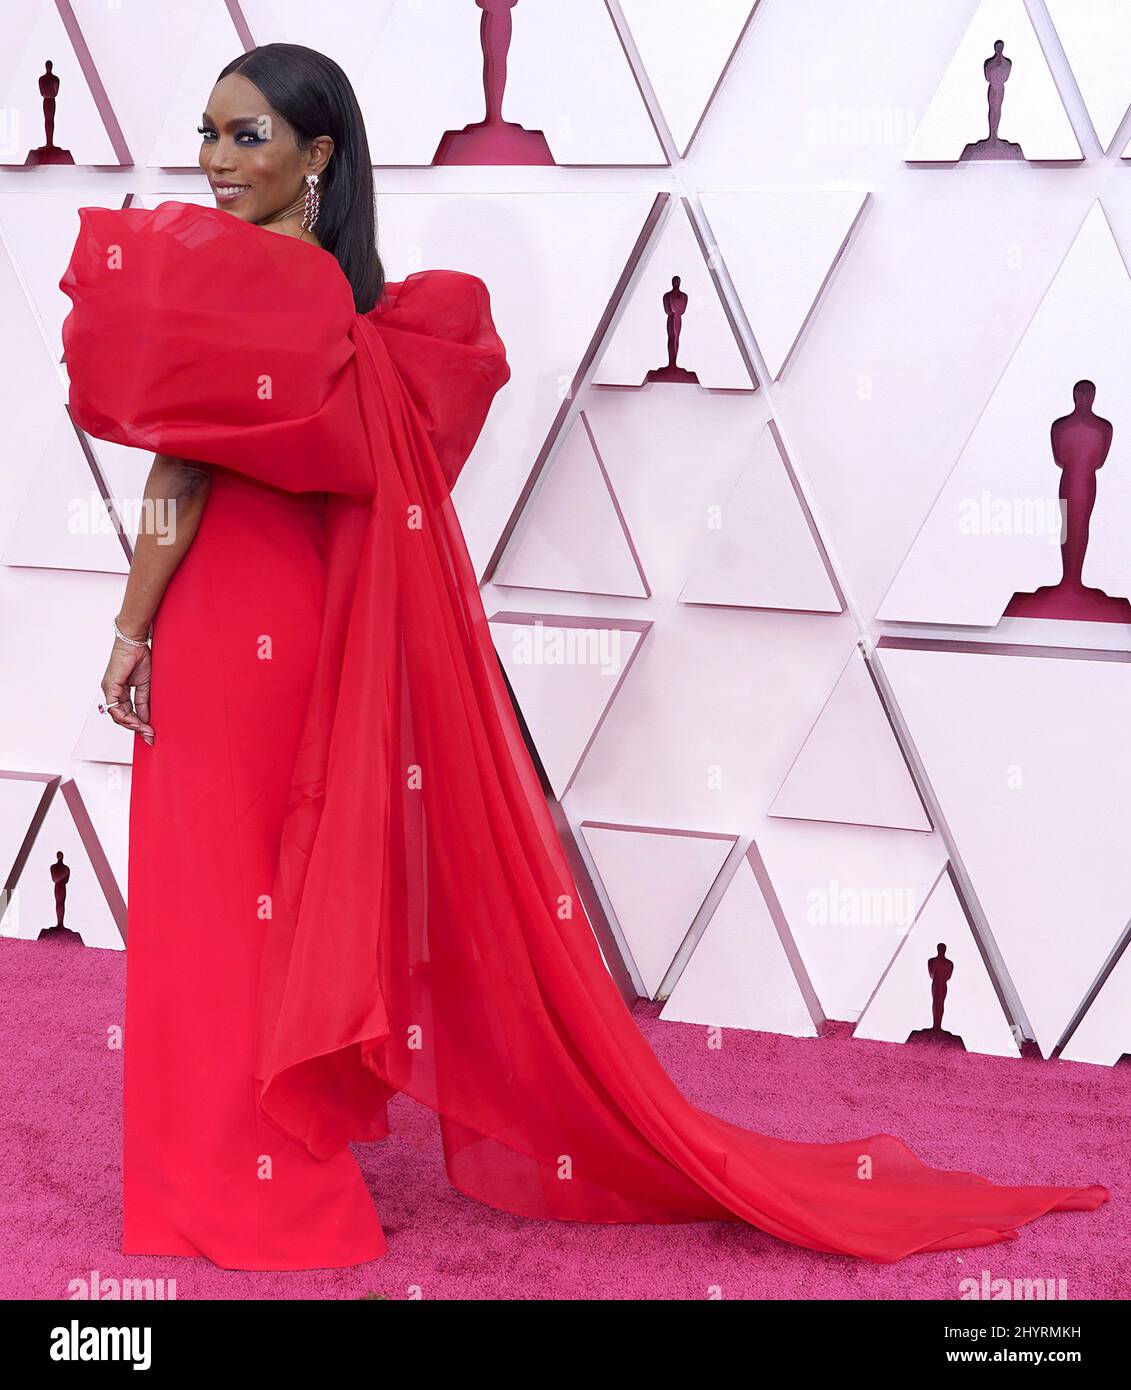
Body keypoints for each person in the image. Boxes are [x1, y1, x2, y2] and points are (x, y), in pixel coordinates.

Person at [59, 43, 1108, 1271]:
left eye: (248, 136)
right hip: (316, 627)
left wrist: (131, 628)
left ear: (316, 155)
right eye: (208, 132)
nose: (216, 160)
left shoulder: (228, 289)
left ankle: (225, 1179)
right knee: (274, 888)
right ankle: (276, 1162)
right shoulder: (363, 313)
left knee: (213, 892)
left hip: (225, 622)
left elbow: (175, 478)